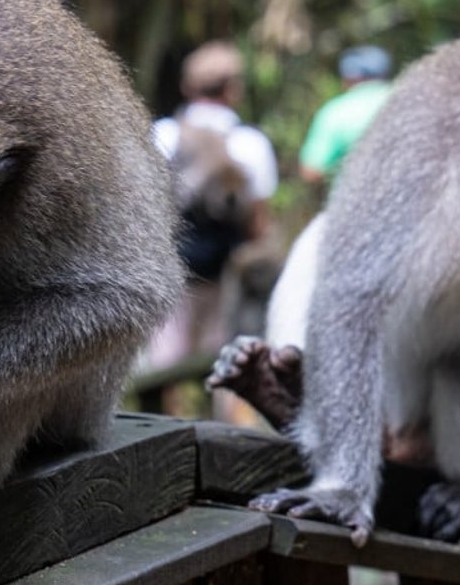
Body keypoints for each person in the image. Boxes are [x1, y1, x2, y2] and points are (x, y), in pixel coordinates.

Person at [147, 41, 279, 367]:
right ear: (233, 90)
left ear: (187, 87)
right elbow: (258, 223)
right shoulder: (250, 144)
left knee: (167, 361)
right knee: (226, 360)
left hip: (171, 269)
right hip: (225, 274)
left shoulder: (163, 134)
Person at [298, 45, 393, 184]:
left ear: (348, 78)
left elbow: (310, 171)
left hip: (354, 199)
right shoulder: (408, 101)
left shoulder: (335, 112)